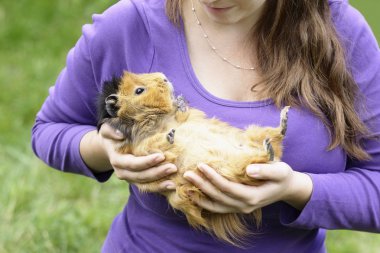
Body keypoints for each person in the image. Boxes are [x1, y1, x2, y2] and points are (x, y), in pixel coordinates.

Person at [32, 0, 380, 252]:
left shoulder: (341, 32)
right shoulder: (128, 25)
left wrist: (295, 189)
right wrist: (104, 148)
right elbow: (49, 129)